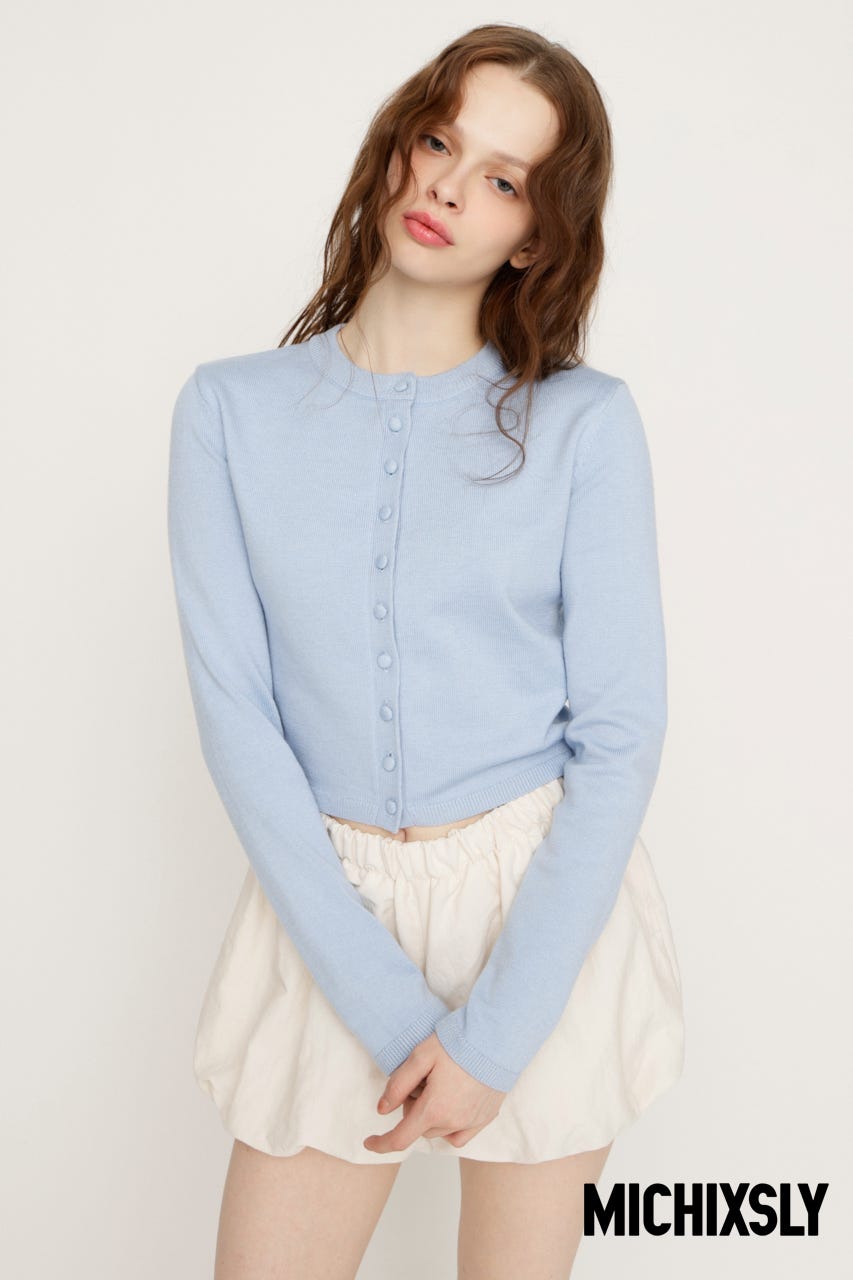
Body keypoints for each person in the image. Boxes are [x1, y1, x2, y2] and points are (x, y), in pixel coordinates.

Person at [167, 22, 685, 1280]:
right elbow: (239, 722)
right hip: (326, 916)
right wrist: (395, 1013)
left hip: (541, 919)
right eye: (441, 140)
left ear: (537, 233)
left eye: (502, 178)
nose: (450, 187)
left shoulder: (584, 426)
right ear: (398, 144)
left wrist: (493, 1038)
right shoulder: (229, 411)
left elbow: (617, 736)